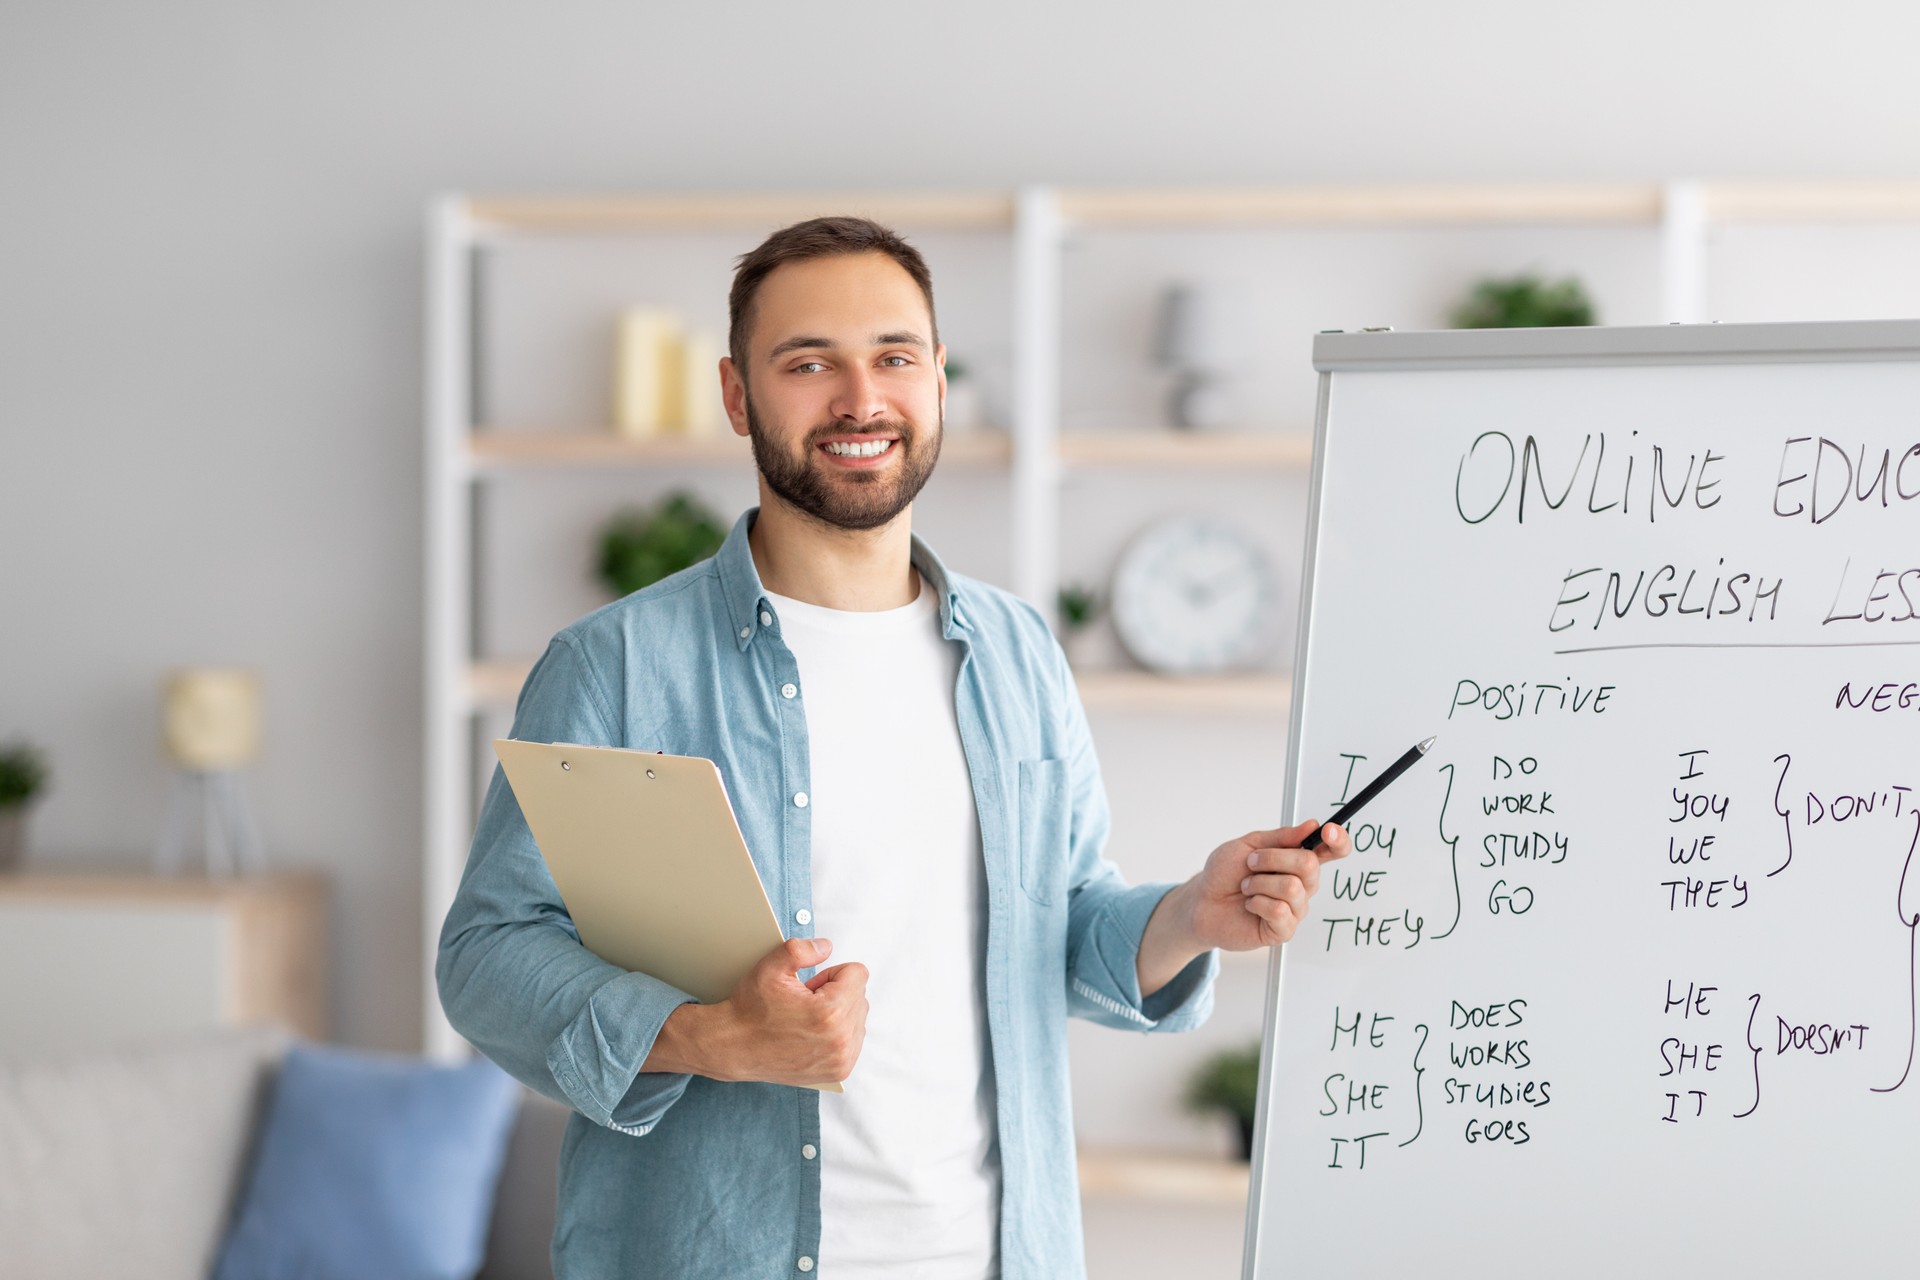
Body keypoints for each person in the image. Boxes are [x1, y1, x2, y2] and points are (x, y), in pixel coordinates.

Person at [437, 216, 1352, 1279]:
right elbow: (486, 955)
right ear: (737, 395)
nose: (860, 399)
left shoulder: (1017, 650)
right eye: (808, 361)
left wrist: (1193, 912)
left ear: (938, 383)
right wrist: (706, 1034)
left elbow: (1053, 924)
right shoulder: (617, 663)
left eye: (893, 356)